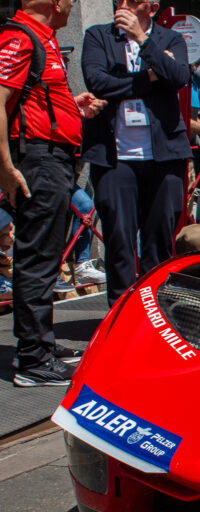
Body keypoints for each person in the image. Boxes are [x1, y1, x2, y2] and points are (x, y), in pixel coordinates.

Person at [0, 0, 107, 386]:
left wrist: (69, 108)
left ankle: (40, 346)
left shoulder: (43, 38)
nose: (72, 3)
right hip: (37, 159)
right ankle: (32, 359)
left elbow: (31, 98)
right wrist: (7, 169)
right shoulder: (21, 36)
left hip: (52, 158)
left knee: (46, 258)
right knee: (37, 258)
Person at [82, 0, 192, 306]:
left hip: (164, 156)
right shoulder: (98, 36)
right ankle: (120, 314)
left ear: (151, 7)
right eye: (119, 0)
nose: (122, 5)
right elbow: (98, 82)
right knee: (119, 242)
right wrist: (150, 79)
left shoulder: (169, 39)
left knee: (158, 244)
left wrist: (143, 41)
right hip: (115, 157)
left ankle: (156, 312)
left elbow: (178, 76)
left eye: (131, 0)